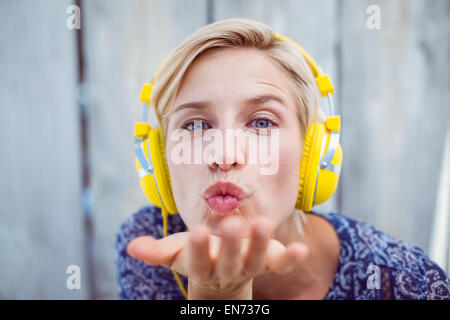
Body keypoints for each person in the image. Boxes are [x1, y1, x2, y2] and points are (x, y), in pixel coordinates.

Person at [115, 18, 450, 300]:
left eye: (262, 122)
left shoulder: (407, 284)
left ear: (310, 154)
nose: (224, 156)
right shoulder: (148, 248)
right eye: (195, 125)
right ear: (159, 161)